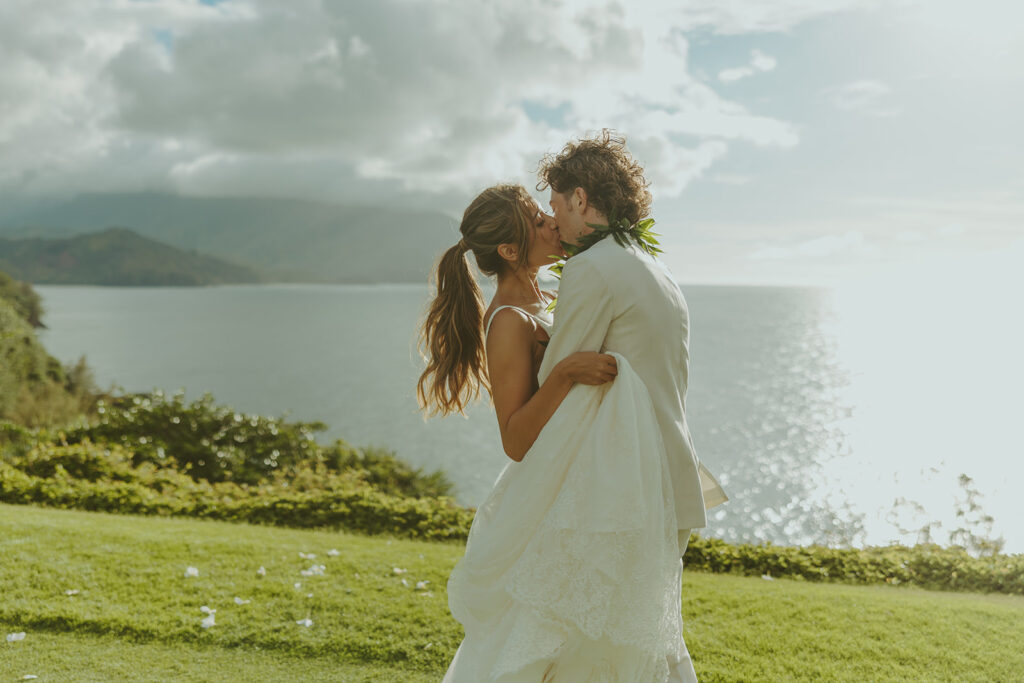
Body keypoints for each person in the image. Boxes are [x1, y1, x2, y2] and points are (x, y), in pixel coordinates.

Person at [419, 132, 726, 681]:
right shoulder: (509, 322)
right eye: (538, 221)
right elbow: (515, 439)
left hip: (592, 484)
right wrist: (562, 372)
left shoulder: (557, 295)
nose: (551, 224)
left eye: (549, 212)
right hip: (560, 493)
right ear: (510, 251)